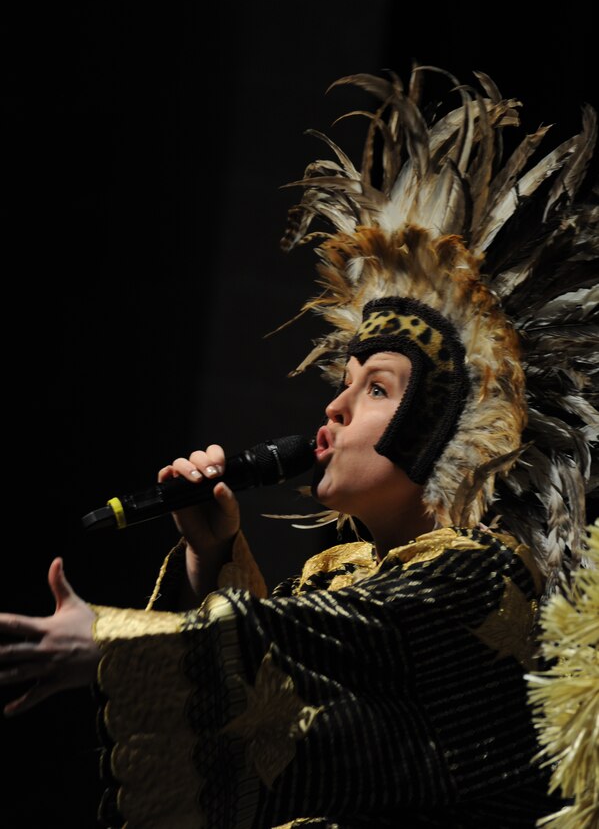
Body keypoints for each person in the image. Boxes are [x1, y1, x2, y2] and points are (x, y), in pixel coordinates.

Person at [1, 65, 597, 829]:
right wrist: (211, 556)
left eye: (376, 388)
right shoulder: (343, 578)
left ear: (447, 430)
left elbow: (322, 646)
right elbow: (274, 725)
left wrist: (111, 644)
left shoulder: (482, 580)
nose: (335, 406)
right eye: (344, 381)